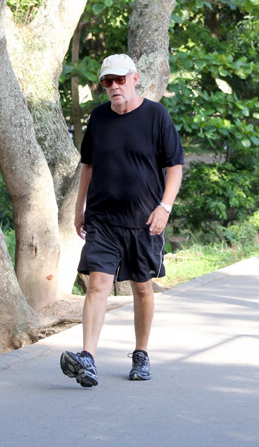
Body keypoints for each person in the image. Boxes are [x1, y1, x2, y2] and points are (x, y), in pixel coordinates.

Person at [60, 54, 184, 387]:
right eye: (107, 82)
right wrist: (78, 208)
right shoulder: (98, 118)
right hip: (102, 220)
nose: (114, 87)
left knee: (141, 288)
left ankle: (141, 353)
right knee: (98, 283)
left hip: (144, 221)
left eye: (119, 80)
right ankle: (88, 359)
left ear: (134, 78)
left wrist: (164, 207)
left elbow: (174, 166)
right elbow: (87, 166)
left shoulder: (156, 116)